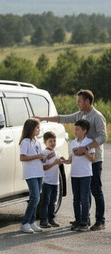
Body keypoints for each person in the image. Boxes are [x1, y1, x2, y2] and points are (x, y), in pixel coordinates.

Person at [35, 89, 107, 230]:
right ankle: (83, 220)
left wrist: (85, 148)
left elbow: (103, 137)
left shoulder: (97, 116)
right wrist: (44, 118)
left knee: (95, 190)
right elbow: (64, 118)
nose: (77, 103)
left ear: (87, 101)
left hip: (94, 159)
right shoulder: (81, 114)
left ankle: (100, 221)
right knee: (83, 193)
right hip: (81, 160)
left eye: (79, 101)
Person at [19, 117, 53, 233]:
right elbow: (22, 157)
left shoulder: (37, 141)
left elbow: (39, 158)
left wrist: (45, 158)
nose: (39, 130)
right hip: (31, 173)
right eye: (37, 128)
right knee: (35, 198)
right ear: (31, 129)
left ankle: (32, 222)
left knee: (37, 198)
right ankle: (25, 222)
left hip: (39, 172)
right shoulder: (25, 142)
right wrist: (37, 157)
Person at [60, 119, 95, 231]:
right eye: (75, 129)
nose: (75, 131)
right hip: (75, 174)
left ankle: (85, 221)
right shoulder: (72, 143)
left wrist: (84, 151)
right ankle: (78, 220)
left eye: (78, 129)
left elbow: (92, 158)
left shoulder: (89, 142)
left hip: (85, 174)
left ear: (84, 131)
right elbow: (71, 159)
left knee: (84, 198)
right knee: (76, 198)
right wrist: (64, 161)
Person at [39, 131, 62, 229]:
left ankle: (51, 219)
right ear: (45, 142)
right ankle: (43, 220)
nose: (53, 143)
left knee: (53, 201)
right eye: (50, 141)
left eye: (54, 141)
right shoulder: (44, 153)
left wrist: (60, 161)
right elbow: (43, 167)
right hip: (47, 181)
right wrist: (53, 163)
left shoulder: (56, 152)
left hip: (55, 181)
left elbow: (57, 163)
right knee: (46, 201)